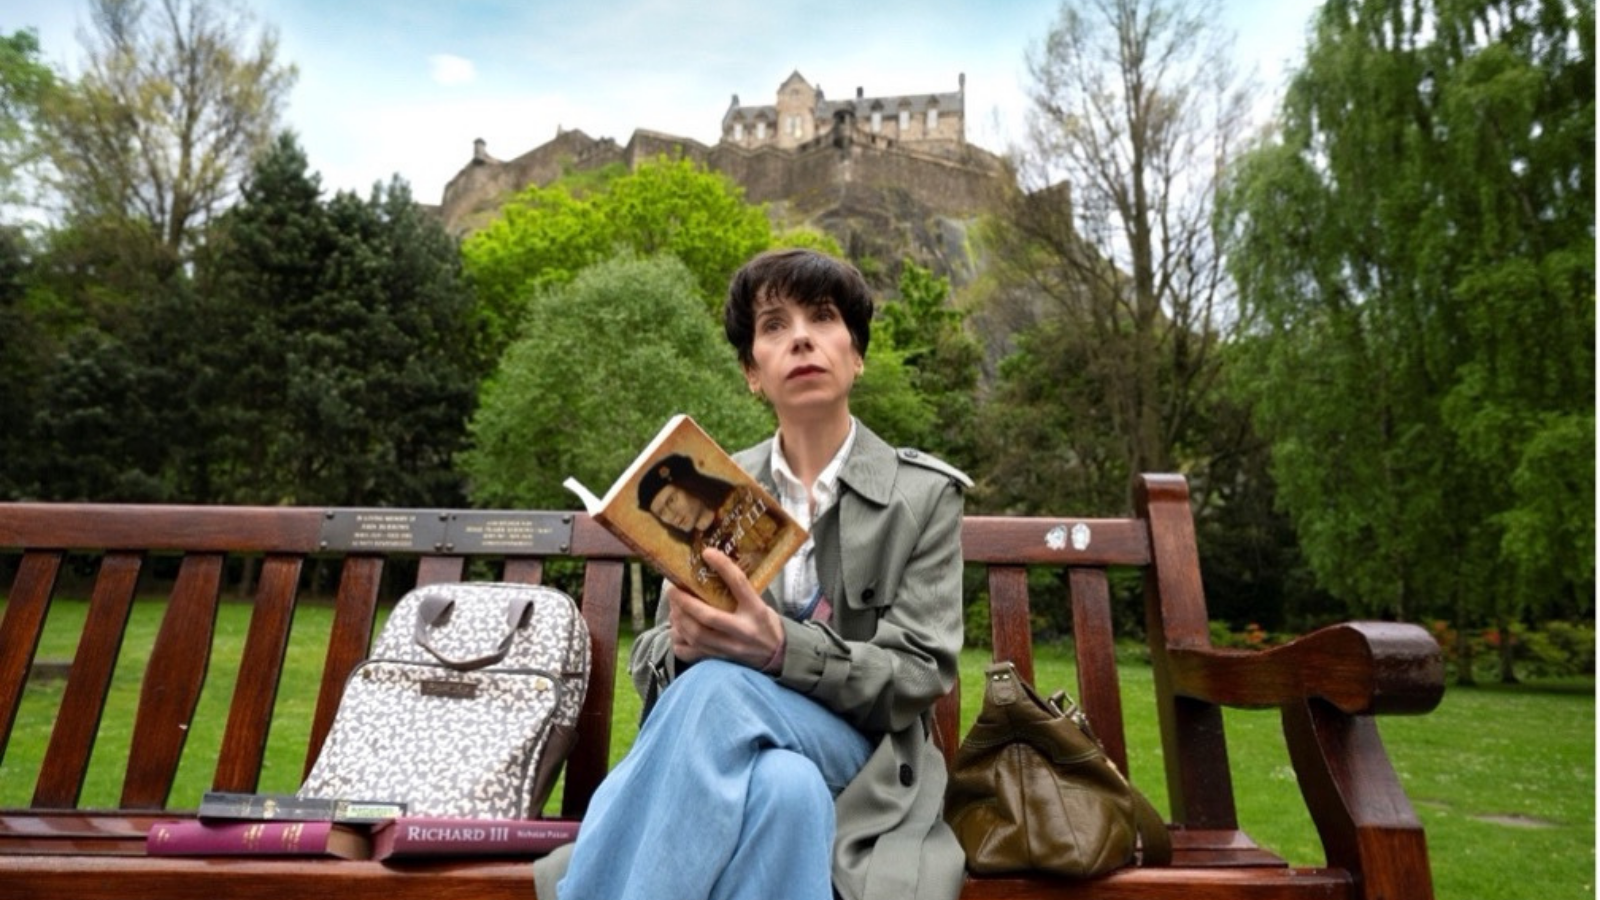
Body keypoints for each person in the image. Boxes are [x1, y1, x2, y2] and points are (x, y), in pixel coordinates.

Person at [533, 247, 971, 900]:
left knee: (718, 691)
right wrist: (682, 643)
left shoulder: (923, 494)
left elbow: (919, 674)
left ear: (856, 355)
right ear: (751, 374)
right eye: (773, 325)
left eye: (822, 318)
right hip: (754, 754)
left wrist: (776, 649)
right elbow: (654, 652)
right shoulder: (709, 479)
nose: (799, 338)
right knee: (784, 791)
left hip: (867, 759)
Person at [637, 452, 786, 598]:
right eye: (661, 513)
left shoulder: (744, 499)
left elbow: (788, 533)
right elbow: (719, 601)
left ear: (690, 485)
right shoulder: (696, 562)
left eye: (671, 500)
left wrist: (763, 557)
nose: (671, 515)